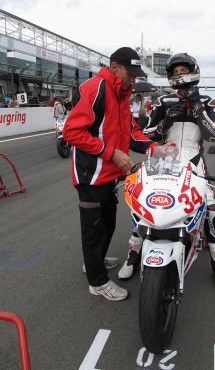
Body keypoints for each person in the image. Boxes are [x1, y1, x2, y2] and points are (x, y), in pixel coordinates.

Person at [63, 47, 171, 301]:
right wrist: (111, 153)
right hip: (90, 175)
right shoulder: (95, 88)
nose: (133, 79)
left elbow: (131, 132)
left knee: (108, 224)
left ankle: (95, 262)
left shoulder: (123, 94)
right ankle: (97, 281)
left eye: (136, 74)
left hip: (111, 175)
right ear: (114, 67)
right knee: (93, 229)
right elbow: (72, 132)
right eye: (130, 73)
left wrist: (156, 148)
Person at [118, 53, 215, 292]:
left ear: (193, 71)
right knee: (145, 202)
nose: (179, 75)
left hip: (193, 160)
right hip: (164, 159)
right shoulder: (164, 101)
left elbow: (213, 135)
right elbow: (146, 134)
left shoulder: (208, 100)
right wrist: (164, 124)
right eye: (175, 72)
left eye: (183, 71)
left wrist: (197, 108)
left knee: (211, 208)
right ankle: (134, 252)